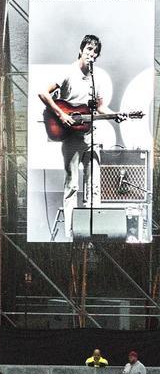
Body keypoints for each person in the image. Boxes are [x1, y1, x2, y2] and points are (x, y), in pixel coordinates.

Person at [38, 33, 126, 239]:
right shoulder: (68, 73)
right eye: (88, 50)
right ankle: (71, 232)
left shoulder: (97, 78)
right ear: (81, 50)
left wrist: (116, 115)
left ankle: (91, 230)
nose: (91, 55)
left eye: (95, 52)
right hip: (71, 136)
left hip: (91, 135)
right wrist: (61, 114)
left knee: (94, 183)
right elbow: (43, 93)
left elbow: (101, 106)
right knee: (72, 184)